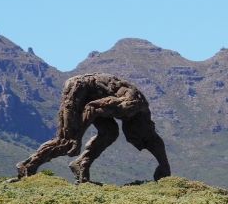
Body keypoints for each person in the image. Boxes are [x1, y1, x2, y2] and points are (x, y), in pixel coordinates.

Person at [16, 73, 171, 183]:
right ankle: (27, 167)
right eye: (136, 139)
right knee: (67, 142)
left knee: (110, 133)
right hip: (78, 90)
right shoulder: (129, 107)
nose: (133, 141)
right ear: (137, 126)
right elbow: (92, 108)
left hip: (94, 95)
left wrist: (163, 165)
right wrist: (77, 137)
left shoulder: (140, 115)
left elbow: (151, 139)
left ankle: (81, 165)